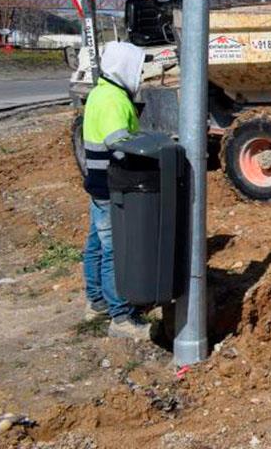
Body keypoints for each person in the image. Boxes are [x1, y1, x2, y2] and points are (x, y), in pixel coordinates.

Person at [81, 41, 151, 340]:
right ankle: (120, 316)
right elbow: (117, 140)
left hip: (98, 184)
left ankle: (96, 300)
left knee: (96, 243)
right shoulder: (112, 99)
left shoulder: (100, 92)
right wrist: (151, 146)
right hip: (112, 186)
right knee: (115, 250)